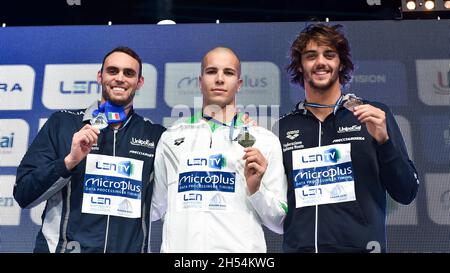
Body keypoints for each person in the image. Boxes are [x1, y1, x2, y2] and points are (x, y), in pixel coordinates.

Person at [274, 23, 419, 253]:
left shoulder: (374, 114)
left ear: (340, 63)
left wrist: (384, 141)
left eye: (329, 55)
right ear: (300, 66)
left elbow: (407, 192)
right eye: (311, 56)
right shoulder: (283, 128)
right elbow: (275, 206)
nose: (321, 62)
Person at [14, 46, 165, 253]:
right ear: (100, 76)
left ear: (140, 82)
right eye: (113, 71)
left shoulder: (155, 136)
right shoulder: (63, 124)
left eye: (129, 73)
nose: (120, 78)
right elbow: (24, 194)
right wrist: (68, 162)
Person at [150, 47, 288, 252]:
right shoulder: (171, 138)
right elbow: (153, 209)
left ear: (239, 84)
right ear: (200, 81)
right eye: (212, 71)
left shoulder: (263, 141)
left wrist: (256, 190)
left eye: (229, 73)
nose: (220, 79)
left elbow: (280, 222)